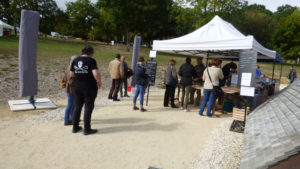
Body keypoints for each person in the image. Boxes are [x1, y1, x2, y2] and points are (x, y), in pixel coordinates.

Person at [70, 45, 101, 135]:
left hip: (78, 86)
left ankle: (75, 127)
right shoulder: (91, 60)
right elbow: (95, 73)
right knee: (88, 106)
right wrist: (98, 81)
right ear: (91, 53)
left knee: (77, 106)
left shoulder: (75, 60)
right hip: (89, 87)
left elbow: (71, 74)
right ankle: (87, 129)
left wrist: (80, 76)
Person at [61, 56, 77, 126]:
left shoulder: (69, 67)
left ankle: (71, 118)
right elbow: (71, 81)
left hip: (70, 89)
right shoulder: (71, 69)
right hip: (71, 89)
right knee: (70, 105)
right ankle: (66, 120)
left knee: (72, 104)